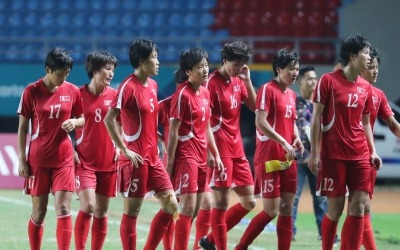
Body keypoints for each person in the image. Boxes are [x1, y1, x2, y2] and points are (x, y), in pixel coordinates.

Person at [103, 38, 179, 250]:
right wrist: (124, 149)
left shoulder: (153, 85)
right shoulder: (128, 87)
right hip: (135, 159)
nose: (158, 62)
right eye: (154, 57)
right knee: (132, 212)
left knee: (171, 205)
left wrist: (159, 137)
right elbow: (110, 119)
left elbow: (144, 120)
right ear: (142, 60)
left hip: (153, 157)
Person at [308, 34, 382, 250]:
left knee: (359, 208)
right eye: (365, 53)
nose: (369, 57)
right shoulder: (328, 81)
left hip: (359, 156)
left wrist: (373, 151)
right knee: (335, 210)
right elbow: (316, 118)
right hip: (334, 156)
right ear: (352, 55)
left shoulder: (365, 87)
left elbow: (365, 122)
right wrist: (315, 152)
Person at [235, 48, 303, 250]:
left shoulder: (291, 94)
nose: (295, 73)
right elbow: (261, 122)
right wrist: (283, 142)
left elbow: (291, 122)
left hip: (288, 158)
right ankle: (241, 246)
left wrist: (296, 137)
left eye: (297, 69)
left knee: (286, 208)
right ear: (279, 68)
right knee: (271, 210)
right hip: (269, 158)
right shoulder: (267, 89)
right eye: (291, 69)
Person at [17, 47, 84, 250]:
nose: (63, 78)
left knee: (63, 207)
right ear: (48, 69)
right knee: (39, 213)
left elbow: (82, 118)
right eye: (59, 74)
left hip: (64, 158)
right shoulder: (31, 91)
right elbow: (22, 129)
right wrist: (22, 159)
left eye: (67, 74)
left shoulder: (72, 91)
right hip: (39, 160)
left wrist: (75, 123)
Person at [198, 41, 256, 250]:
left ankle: (209, 240)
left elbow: (255, 106)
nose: (239, 68)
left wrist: (247, 81)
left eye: (243, 64)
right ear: (225, 61)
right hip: (220, 151)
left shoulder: (239, 81)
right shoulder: (210, 83)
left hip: (237, 150)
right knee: (220, 204)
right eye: (236, 64)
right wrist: (210, 152)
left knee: (249, 202)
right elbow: (202, 121)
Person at [166, 48, 223, 250]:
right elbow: (173, 133)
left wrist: (215, 155)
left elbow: (207, 126)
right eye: (200, 67)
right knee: (187, 208)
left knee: (196, 209)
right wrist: (169, 166)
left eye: (206, 65)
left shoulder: (206, 92)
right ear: (188, 71)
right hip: (186, 158)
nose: (206, 69)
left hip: (201, 159)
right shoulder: (182, 94)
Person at [73, 51, 119, 250]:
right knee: (89, 207)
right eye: (107, 69)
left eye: (113, 70)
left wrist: (119, 146)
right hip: (85, 163)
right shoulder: (77, 95)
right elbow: (62, 124)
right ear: (94, 70)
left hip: (108, 162)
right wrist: (70, 148)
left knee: (101, 212)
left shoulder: (115, 95)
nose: (111, 73)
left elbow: (123, 124)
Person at [359, 48, 400, 250]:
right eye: (370, 67)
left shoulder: (378, 95)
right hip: (346, 155)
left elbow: (393, 125)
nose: (375, 71)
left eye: (377, 67)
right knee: (346, 208)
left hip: (367, 157)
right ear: (359, 68)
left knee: (362, 208)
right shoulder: (347, 91)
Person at [291, 66, 327, 241]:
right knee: (293, 198)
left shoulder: (321, 106)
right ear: (300, 81)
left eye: (315, 78)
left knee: (321, 198)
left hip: (318, 159)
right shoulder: (293, 103)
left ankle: (326, 234)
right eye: (309, 78)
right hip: (297, 159)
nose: (313, 82)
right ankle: (289, 233)